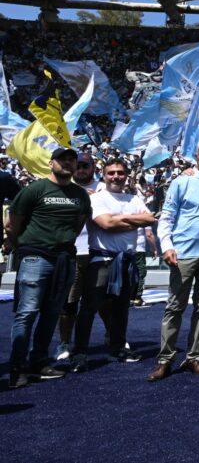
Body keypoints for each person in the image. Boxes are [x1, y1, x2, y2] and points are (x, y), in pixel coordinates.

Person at [4, 147, 92, 388]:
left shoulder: (80, 195)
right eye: (62, 159)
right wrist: (25, 245)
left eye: (72, 160)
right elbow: (12, 223)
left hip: (64, 259)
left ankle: (39, 362)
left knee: (52, 313)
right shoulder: (35, 189)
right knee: (27, 312)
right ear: (51, 163)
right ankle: (17, 367)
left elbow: (77, 225)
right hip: (36, 258)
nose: (68, 163)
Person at [148, 141, 199, 381]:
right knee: (175, 306)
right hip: (183, 253)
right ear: (196, 155)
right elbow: (167, 216)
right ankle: (165, 359)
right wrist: (167, 246)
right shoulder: (181, 182)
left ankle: (195, 357)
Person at [70, 159, 156, 371]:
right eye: (111, 173)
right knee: (89, 308)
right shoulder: (96, 198)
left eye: (120, 173)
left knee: (121, 309)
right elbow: (106, 224)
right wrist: (133, 220)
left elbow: (149, 219)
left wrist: (119, 219)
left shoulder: (134, 198)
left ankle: (117, 348)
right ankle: (80, 353)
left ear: (126, 175)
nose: (116, 177)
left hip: (126, 261)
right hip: (101, 261)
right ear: (104, 175)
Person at [56, 152, 102, 362]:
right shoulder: (62, 188)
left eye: (85, 165)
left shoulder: (104, 188)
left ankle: (113, 338)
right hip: (72, 252)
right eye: (78, 165)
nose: (81, 169)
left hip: (98, 251)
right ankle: (65, 342)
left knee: (105, 301)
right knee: (69, 302)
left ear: (93, 167)